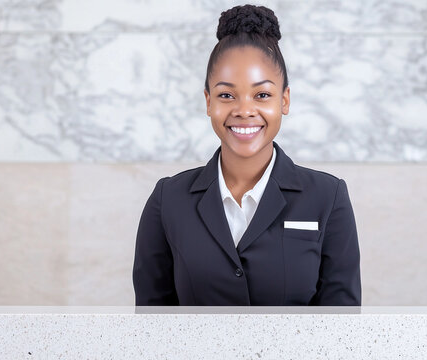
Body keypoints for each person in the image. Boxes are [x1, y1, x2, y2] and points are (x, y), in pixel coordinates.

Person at [132, 4, 361, 306]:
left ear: (285, 100)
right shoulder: (169, 199)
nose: (244, 110)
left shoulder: (328, 197)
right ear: (208, 101)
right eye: (226, 95)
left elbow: (342, 328)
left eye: (262, 95)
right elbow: (151, 325)